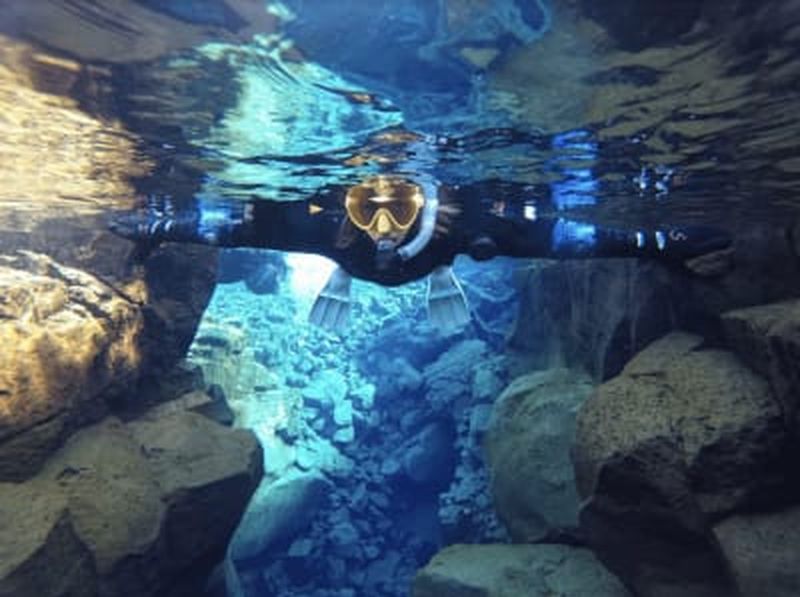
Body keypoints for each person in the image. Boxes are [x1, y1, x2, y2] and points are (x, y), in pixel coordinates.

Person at [110, 176, 732, 332]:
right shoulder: (323, 228)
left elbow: (569, 241)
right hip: (354, 266)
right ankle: (349, 277)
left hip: (431, 265)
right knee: (277, 229)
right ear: (347, 203)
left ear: (429, 203)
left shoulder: (468, 225)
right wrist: (163, 226)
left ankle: (431, 275)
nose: (382, 223)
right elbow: (233, 226)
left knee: (524, 239)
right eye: (366, 207)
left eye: (401, 206)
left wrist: (654, 244)